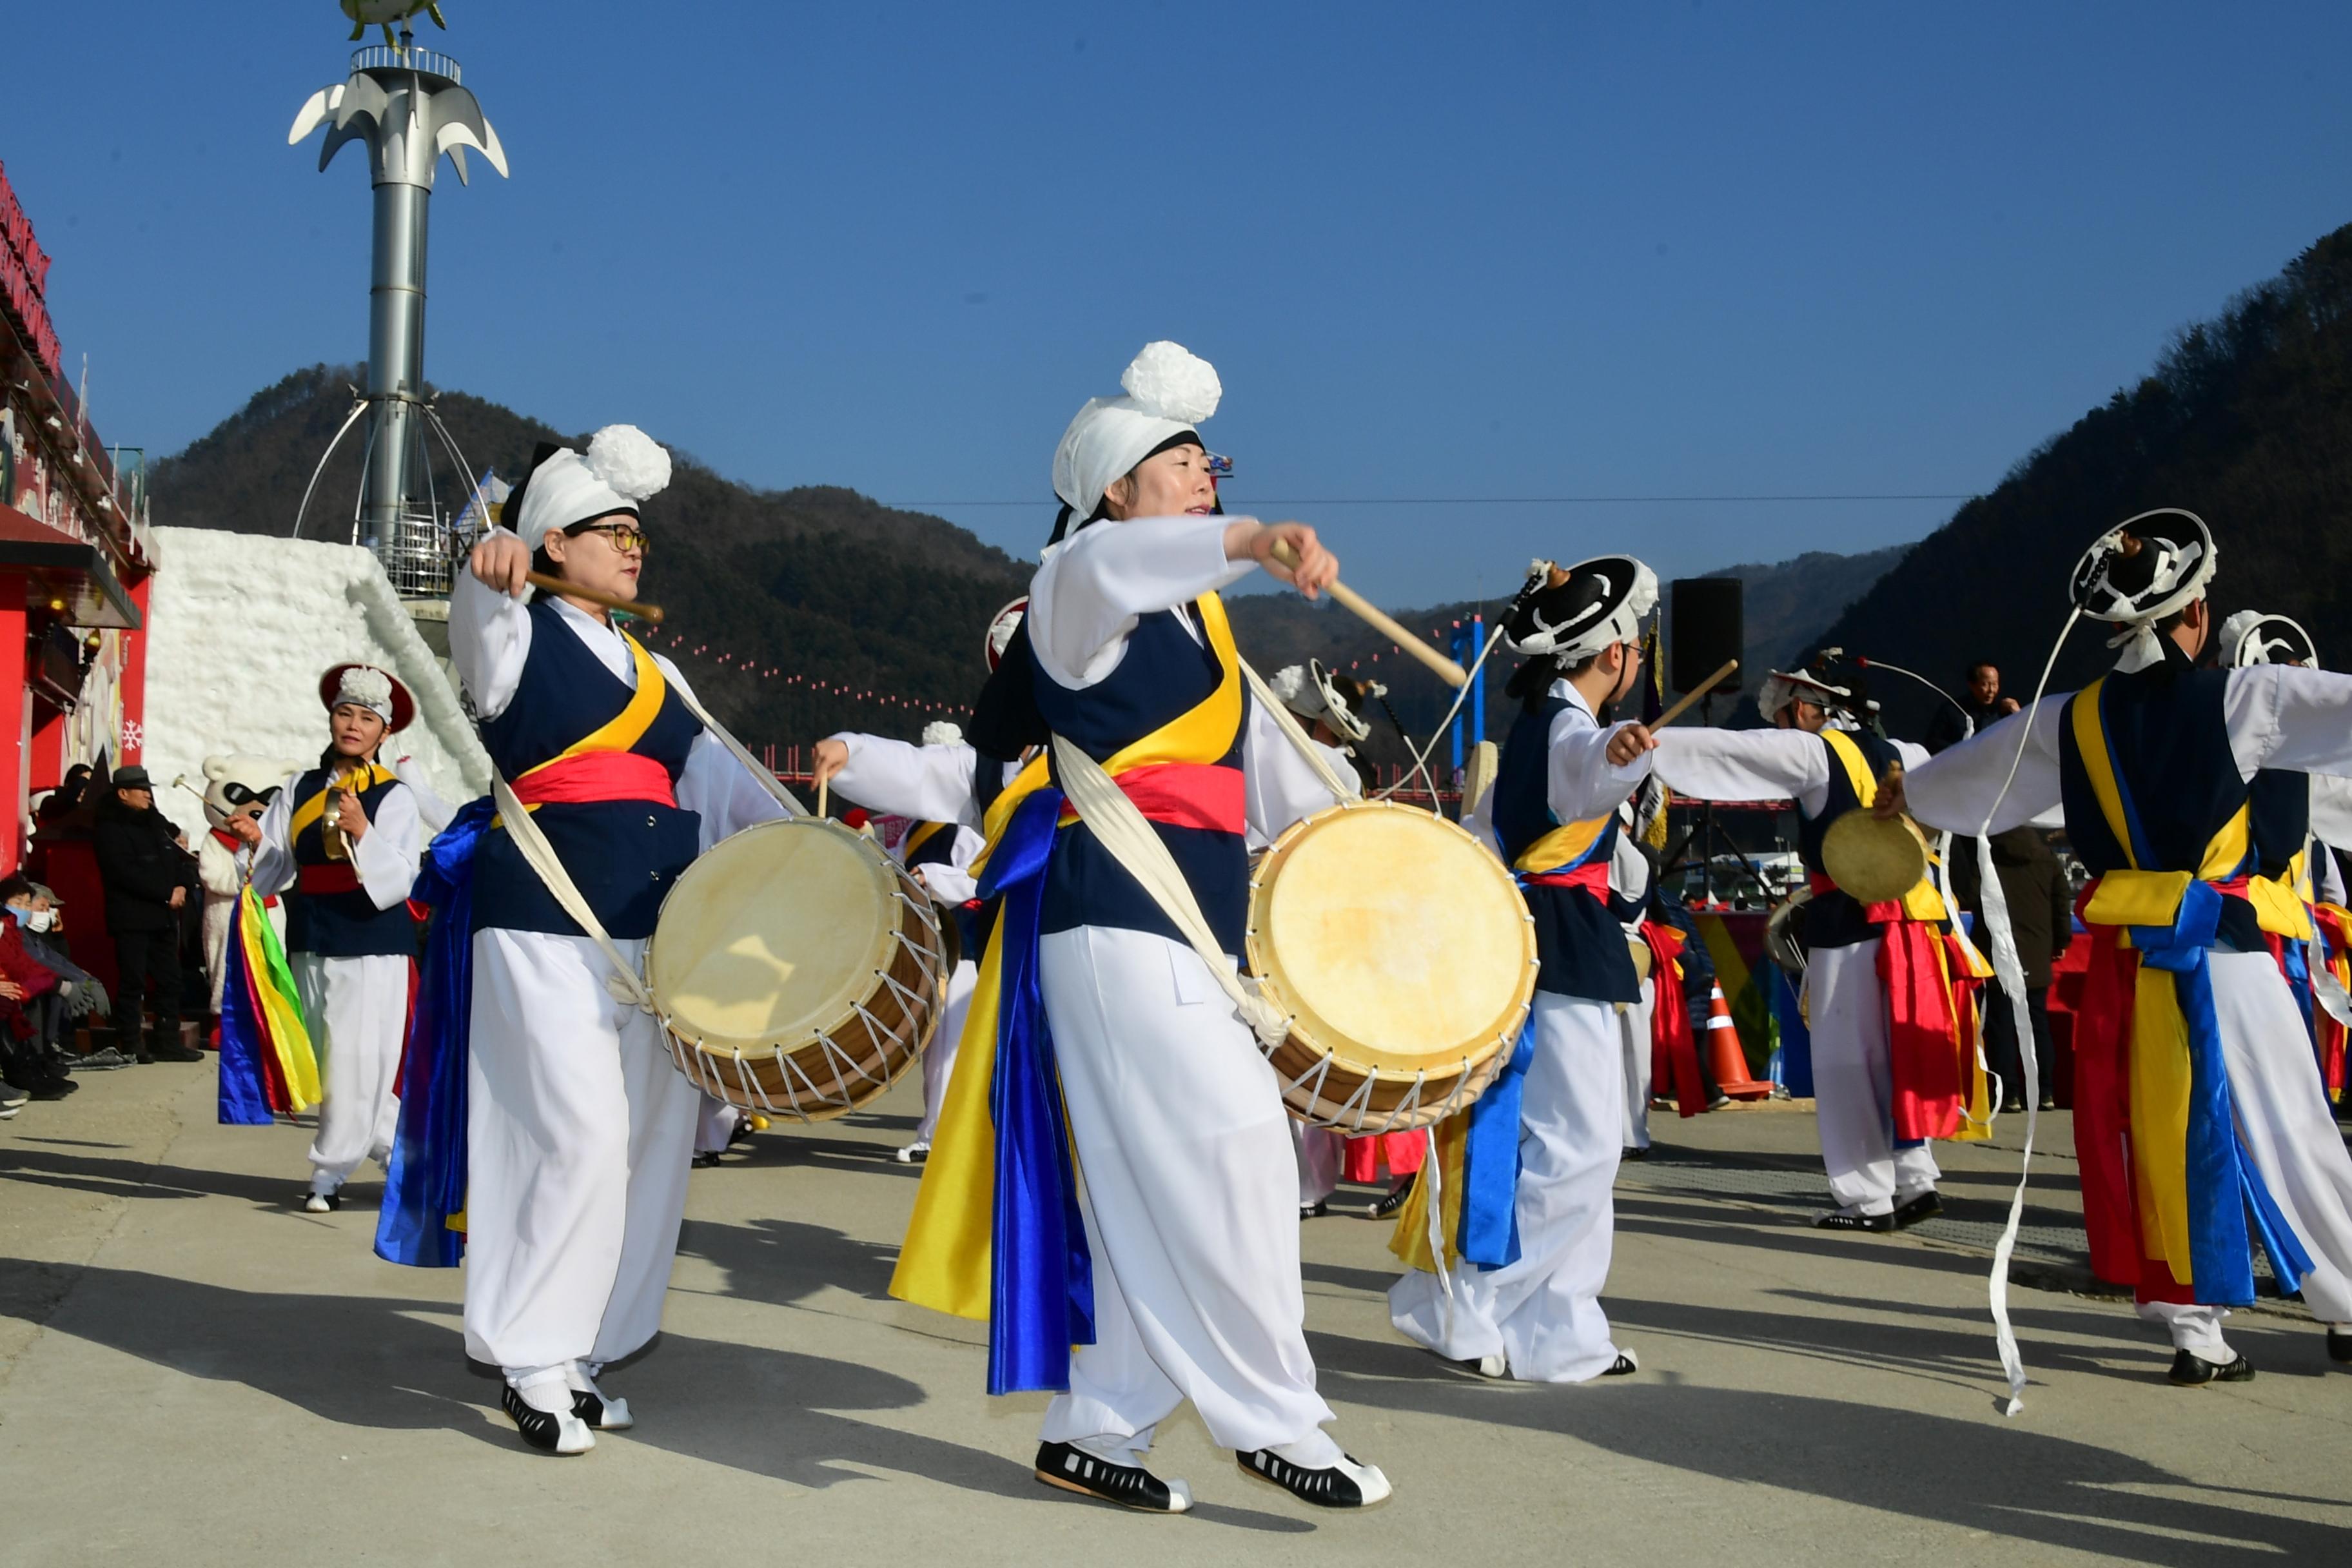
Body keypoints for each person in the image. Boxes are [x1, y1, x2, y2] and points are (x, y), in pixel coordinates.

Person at [892, 342, 1385, 1511]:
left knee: (1143, 1192)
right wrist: (1255, 538)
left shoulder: (1203, 631)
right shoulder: (1077, 583)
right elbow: (1126, 562)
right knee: (1235, 1158)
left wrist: (1389, 853)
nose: (1203, 472)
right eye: (1177, 460)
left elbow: (1281, 782)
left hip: (1186, 934)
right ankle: (1274, 1415)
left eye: (1208, 460)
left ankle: (1097, 1425)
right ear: (1115, 487)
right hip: (1113, 918)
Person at [1894, 509, 2352, 1382]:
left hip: (2132, 966)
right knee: (2288, 1132)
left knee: (2162, 1136)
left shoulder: (2072, 719)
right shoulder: (2247, 698)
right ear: (2196, 615)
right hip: (2224, 956)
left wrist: (1905, 793)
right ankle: (2346, 1306)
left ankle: (2193, 1333)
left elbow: (1974, 772)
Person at [453, 424, 795, 1456]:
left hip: (655, 937)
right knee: (577, 1139)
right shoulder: (515, 631)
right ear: (552, 543)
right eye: (608, 531)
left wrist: (826, 857)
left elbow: (733, 790)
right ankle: (532, 1356)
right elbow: (478, 627)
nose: (631, 547)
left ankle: (591, 1351)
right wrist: (487, 562)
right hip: (544, 921)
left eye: (637, 532)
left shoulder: (660, 670)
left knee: (651, 1150)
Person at [1388, 556, 1656, 1383]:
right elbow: (1588, 765)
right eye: (1637, 646)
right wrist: (1619, 753)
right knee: (1578, 1148)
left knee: (1568, 1146)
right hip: (1562, 940)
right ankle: (1472, 1301)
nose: (1640, 659)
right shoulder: (1568, 726)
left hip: (1554, 933)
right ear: (1614, 654)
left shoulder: (1548, 717)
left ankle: (1562, 1330)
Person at [1644, 652, 1966, 1231]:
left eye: (1791, 707)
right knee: (1898, 1055)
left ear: (1810, 705)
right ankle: (1916, 1179)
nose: (1785, 719)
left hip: (1847, 923)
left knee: (1847, 1064)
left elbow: (1728, 750)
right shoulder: (1902, 754)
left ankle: (1867, 1198)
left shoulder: (1814, 751)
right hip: (1914, 925)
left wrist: (1640, 742)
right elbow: (1962, 766)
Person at [230, 669, 425, 1212]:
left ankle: (328, 1169)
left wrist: (364, 831)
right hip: (313, 933)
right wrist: (253, 843)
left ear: (384, 733)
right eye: (346, 714)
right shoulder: (300, 788)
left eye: (367, 719)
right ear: (332, 718)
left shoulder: (394, 796)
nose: (354, 726)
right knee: (332, 1057)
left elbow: (403, 879)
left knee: (355, 1059)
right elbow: (275, 867)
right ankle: (407, 1155)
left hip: (371, 941)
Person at [810, 716, 996, 1164]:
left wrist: (932, 878)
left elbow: (985, 877)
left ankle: (941, 1136)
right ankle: (936, 1131)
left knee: (951, 1050)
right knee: (936, 1051)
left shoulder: (968, 826)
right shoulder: (916, 829)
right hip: (932, 948)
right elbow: (895, 867)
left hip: (966, 948)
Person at [1949, 825, 2072, 1111]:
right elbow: (2061, 901)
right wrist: (2061, 940)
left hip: (1997, 950)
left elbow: (1969, 896)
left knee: (2001, 1024)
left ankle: (2009, 1094)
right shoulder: (2047, 858)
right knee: (2037, 1024)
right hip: (2037, 951)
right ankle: (2045, 1092)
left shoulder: (1986, 858)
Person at [93, 765, 202, 1064]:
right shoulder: (110, 829)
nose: (147, 794)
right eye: (141, 789)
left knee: (170, 979)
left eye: (148, 789)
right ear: (123, 793)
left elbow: (178, 857)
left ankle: (167, 1040)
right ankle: (130, 1041)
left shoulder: (156, 823)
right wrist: (165, 893)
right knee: (133, 981)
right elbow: (123, 872)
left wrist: (181, 885)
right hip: (132, 918)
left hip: (165, 916)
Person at [1924, 660, 2021, 754]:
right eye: (1985, 684)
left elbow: (2023, 740)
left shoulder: (2004, 710)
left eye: (1995, 684)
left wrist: (2018, 714)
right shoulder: (1952, 710)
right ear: (1972, 685)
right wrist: (1962, 752)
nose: (1991, 690)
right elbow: (1932, 743)